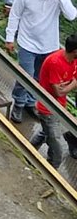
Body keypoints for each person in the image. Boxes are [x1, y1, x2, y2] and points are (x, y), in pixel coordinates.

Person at [4, 0, 77, 122]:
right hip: (27, 42)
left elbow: (71, 15)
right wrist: (9, 38)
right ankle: (19, 103)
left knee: (40, 78)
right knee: (25, 75)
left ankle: (31, 102)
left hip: (48, 45)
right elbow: (15, 15)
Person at [29, 33, 77, 166]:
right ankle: (52, 168)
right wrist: (72, 83)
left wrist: (67, 86)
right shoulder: (55, 62)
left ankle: (29, 151)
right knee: (57, 148)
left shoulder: (72, 60)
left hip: (59, 105)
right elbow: (58, 92)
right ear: (75, 51)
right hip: (47, 107)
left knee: (46, 132)